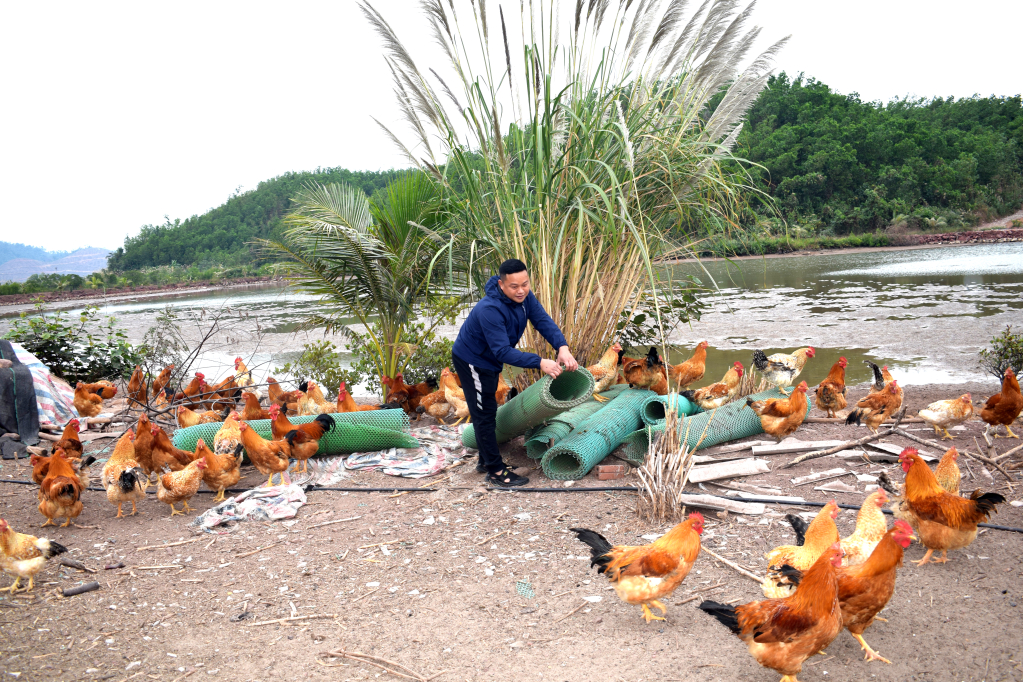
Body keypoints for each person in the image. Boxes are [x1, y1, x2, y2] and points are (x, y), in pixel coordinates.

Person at [451, 259, 578, 486]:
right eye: (514, 286)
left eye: (525, 284)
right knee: (484, 414)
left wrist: (562, 346)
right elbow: (502, 352)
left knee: (487, 410)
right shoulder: (490, 309)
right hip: (473, 360)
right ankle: (495, 472)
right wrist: (540, 362)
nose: (521, 291)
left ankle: (486, 460)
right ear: (501, 284)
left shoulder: (524, 297)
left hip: (489, 360)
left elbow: (542, 320)